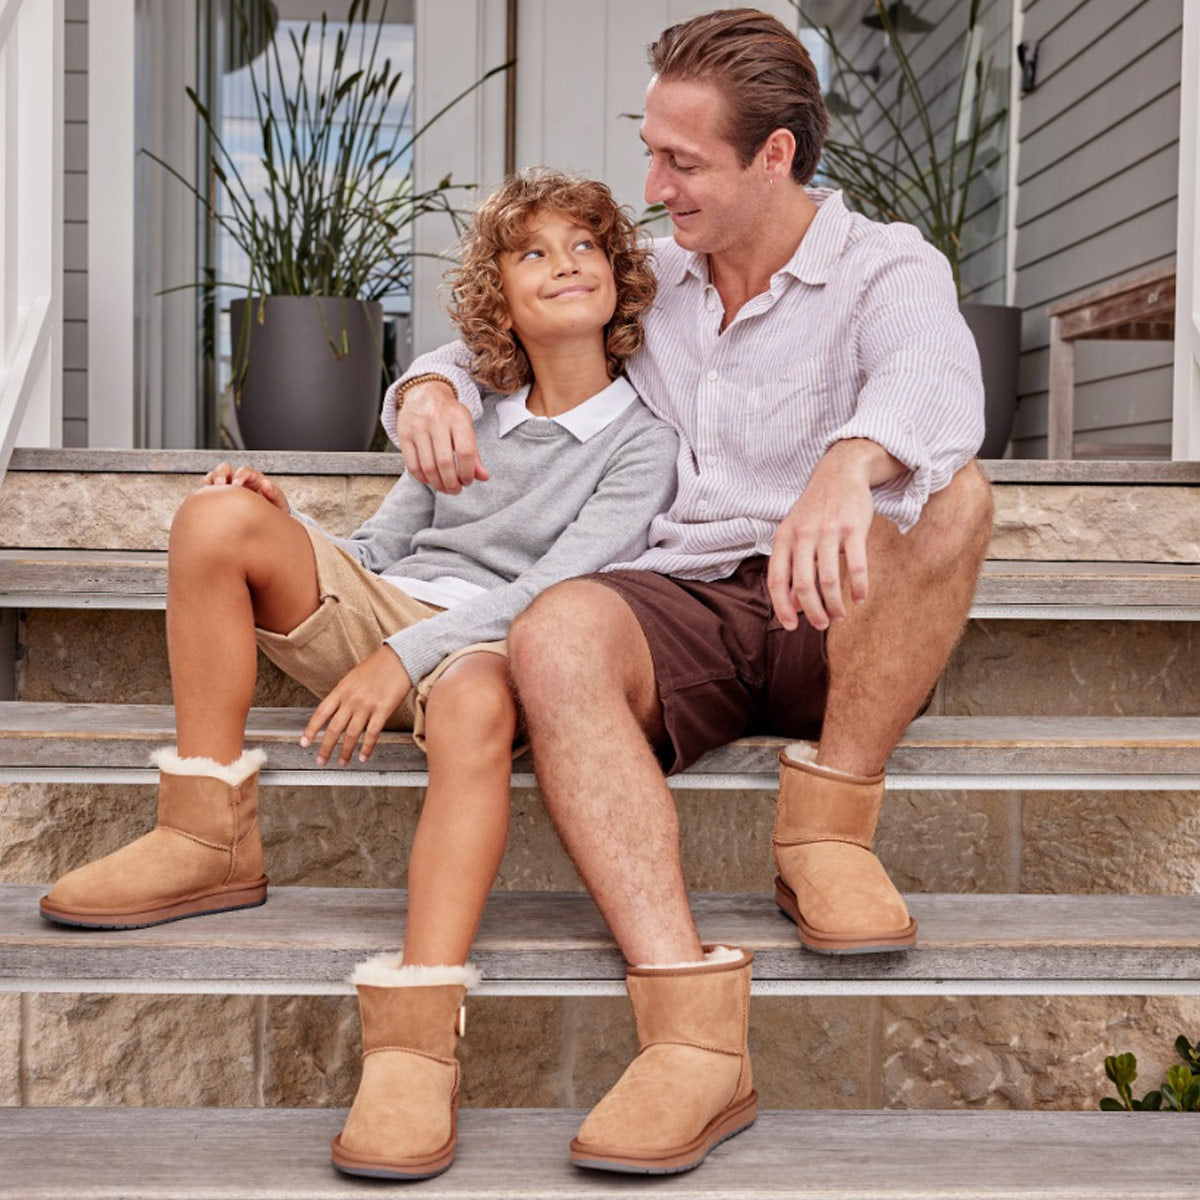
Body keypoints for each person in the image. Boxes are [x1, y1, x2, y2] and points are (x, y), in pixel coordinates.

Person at [386, 7, 994, 1176]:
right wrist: (421, 387)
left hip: (840, 607)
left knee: (955, 493)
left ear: (777, 153)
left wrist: (847, 460)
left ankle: (828, 833)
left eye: (683, 161)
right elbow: (483, 338)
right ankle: (691, 1036)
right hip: (683, 603)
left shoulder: (886, 264)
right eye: (651, 148)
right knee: (559, 628)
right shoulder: (653, 277)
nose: (653, 185)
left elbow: (934, 379)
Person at [38, 169, 680, 1181]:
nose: (564, 264)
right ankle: (204, 834)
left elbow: (561, 589)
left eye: (585, 248)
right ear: (499, 300)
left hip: (496, 646)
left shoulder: (643, 445)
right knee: (217, 517)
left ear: (620, 278)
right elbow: (383, 551)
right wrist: (292, 529)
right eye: (533, 253)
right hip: (395, 621)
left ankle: (416, 1039)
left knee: (473, 696)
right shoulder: (466, 413)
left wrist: (401, 657)